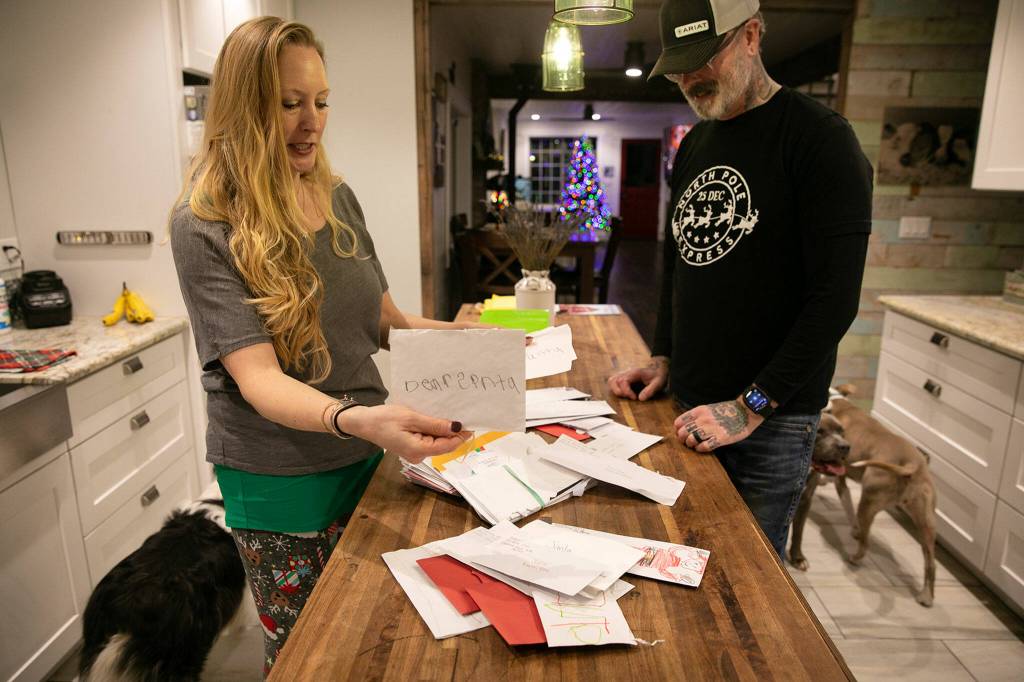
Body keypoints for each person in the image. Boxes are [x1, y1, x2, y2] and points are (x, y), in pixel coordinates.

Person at [169, 17, 476, 675]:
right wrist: (355, 418)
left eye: (321, 101)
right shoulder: (203, 223)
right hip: (282, 479)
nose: (312, 122)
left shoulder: (337, 196)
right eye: (288, 104)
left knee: (377, 642)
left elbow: (384, 320)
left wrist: (470, 338)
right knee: (313, 656)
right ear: (242, 108)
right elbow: (258, 379)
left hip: (366, 454)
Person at [607, 0, 873, 560]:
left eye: (705, 56)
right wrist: (663, 356)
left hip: (771, 421)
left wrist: (750, 406)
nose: (689, 77)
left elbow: (835, 300)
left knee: (748, 586)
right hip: (691, 402)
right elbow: (680, 263)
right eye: (679, 65)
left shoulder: (820, 139)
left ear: (751, 36)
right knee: (679, 559)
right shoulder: (696, 145)